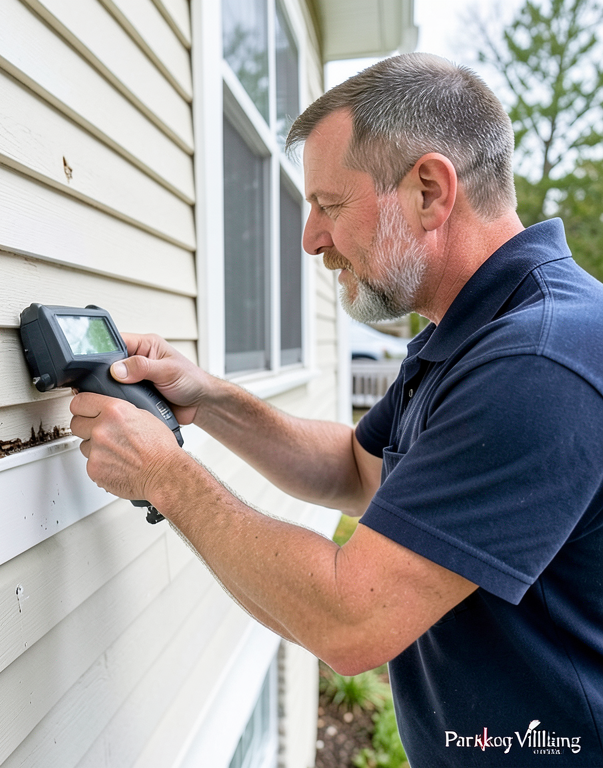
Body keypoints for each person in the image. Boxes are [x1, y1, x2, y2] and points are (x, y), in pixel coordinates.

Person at [69, 53, 603, 766]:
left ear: (429, 191)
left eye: (330, 205)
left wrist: (166, 478)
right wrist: (208, 398)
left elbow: (351, 618)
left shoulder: (537, 362)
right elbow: (357, 468)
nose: (310, 238)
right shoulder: (464, 330)